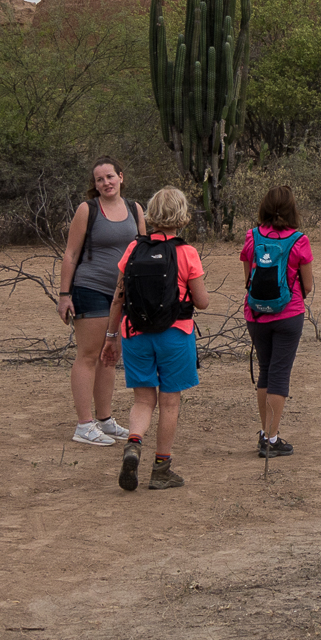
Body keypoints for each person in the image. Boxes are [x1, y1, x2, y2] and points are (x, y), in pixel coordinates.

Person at [110, 187, 210, 491]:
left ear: (152, 214)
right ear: (182, 215)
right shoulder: (186, 252)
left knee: (143, 399)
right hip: (175, 334)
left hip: (134, 333)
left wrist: (111, 335)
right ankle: (161, 468)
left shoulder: (133, 249)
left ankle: (133, 444)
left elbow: (119, 296)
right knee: (169, 403)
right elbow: (202, 301)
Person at [57, 158, 146, 446]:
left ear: (121, 177)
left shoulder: (135, 209)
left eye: (110, 177)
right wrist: (64, 295)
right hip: (90, 288)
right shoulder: (88, 209)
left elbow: (143, 249)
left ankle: (105, 420)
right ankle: (84, 424)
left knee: (110, 355)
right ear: (94, 185)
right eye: (99, 179)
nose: (106, 183)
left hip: (123, 294)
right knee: (89, 354)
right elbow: (71, 254)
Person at [239, 184, 314, 458]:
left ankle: (265, 432)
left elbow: (247, 279)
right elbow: (307, 285)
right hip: (289, 314)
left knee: (265, 371)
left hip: (256, 314)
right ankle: (271, 439)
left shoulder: (252, 236)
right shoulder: (299, 240)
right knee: (280, 374)